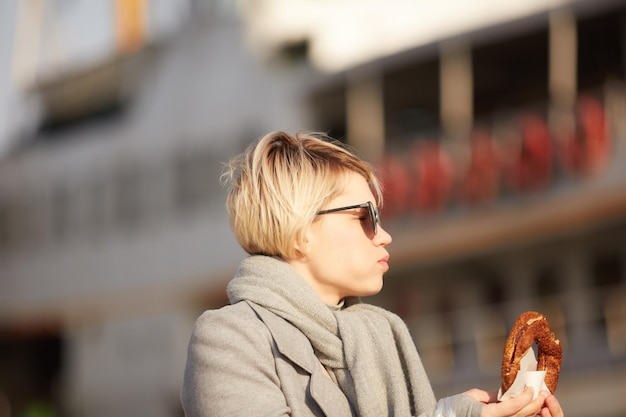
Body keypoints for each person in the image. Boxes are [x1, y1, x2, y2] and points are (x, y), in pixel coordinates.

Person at [180, 131, 564, 417]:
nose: (384, 235)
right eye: (365, 216)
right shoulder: (228, 339)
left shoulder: (382, 334)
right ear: (301, 234)